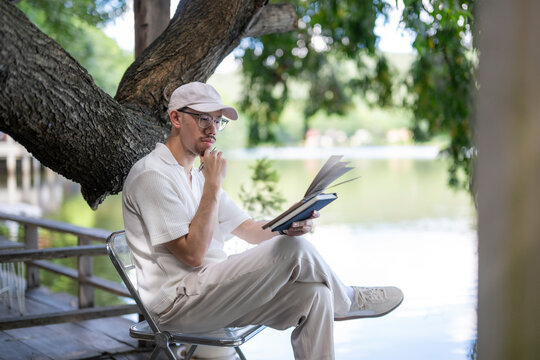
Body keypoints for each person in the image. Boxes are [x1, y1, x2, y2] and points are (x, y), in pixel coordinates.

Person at [122, 82, 404, 360]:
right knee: (293, 250)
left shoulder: (197, 176)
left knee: (316, 295)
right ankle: (350, 300)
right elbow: (193, 255)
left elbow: (249, 230)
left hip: (212, 293)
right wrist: (212, 185)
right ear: (176, 118)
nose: (212, 129)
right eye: (203, 118)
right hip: (177, 306)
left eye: (218, 121)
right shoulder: (153, 175)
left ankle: (338, 300)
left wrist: (290, 221)